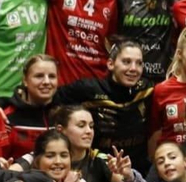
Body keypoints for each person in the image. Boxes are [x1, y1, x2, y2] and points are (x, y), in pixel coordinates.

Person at [56, 40, 154, 172]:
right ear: (111, 64)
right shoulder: (89, 89)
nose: (133, 69)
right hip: (98, 171)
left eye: (139, 63)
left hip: (138, 171)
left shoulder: (147, 89)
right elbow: (50, 99)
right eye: (126, 62)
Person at [0, 55, 58, 161]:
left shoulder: (62, 115)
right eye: (39, 76)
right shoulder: (5, 115)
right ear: (25, 80)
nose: (46, 82)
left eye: (52, 76)